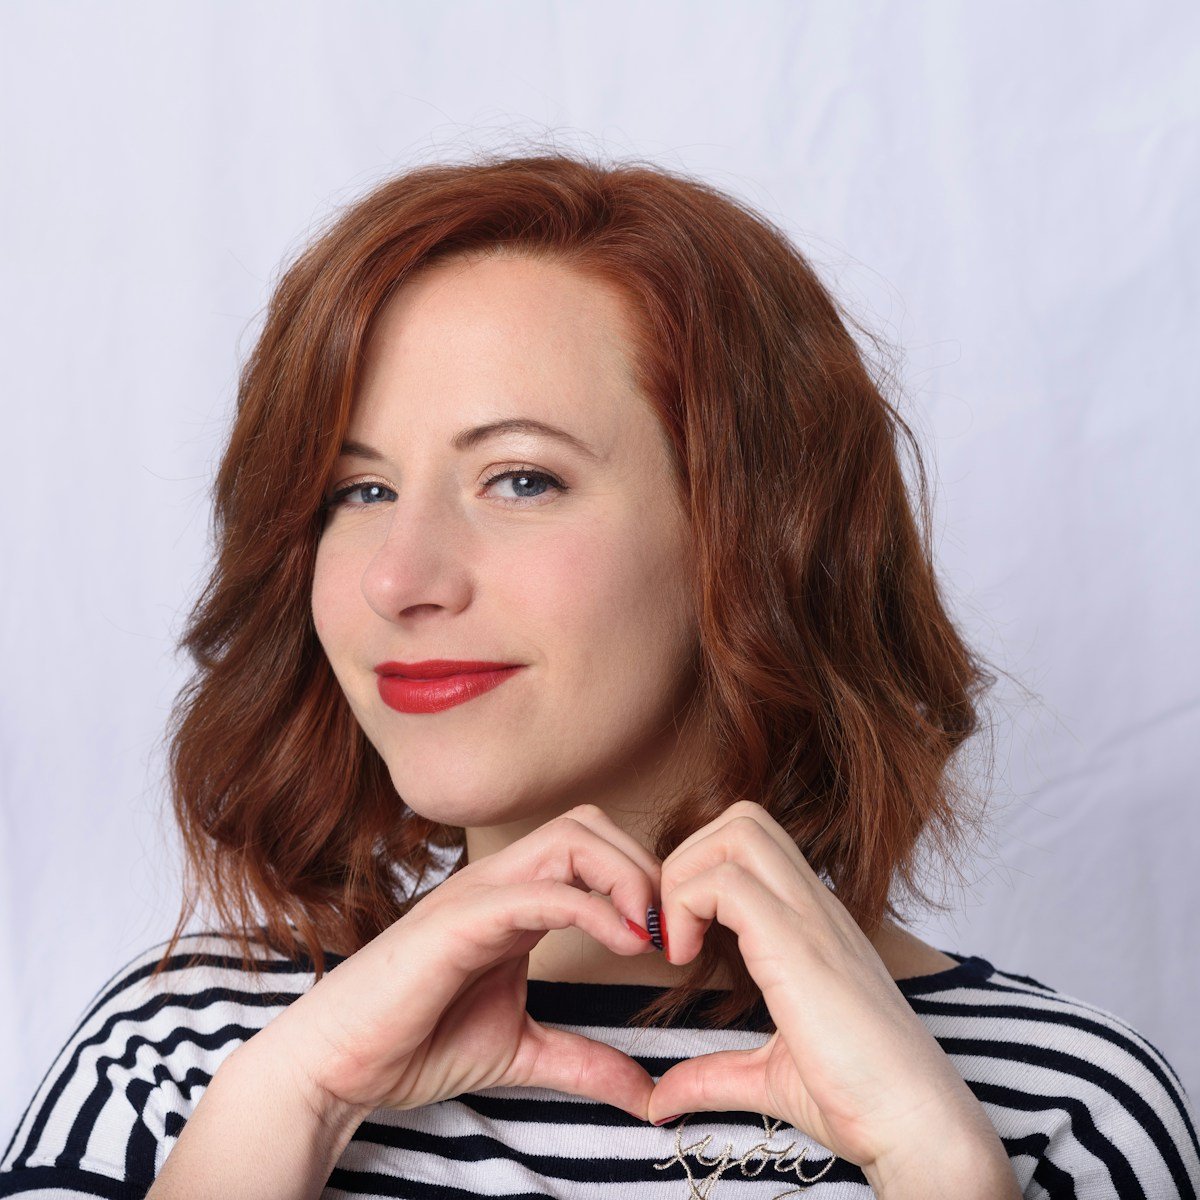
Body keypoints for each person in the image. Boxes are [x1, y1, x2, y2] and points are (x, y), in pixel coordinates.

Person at [1, 151, 1196, 1200]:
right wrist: (290, 1105)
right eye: (357, 491)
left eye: (520, 479)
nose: (398, 578)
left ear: (753, 536)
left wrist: (940, 1169)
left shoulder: (1063, 1109)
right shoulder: (185, 1059)